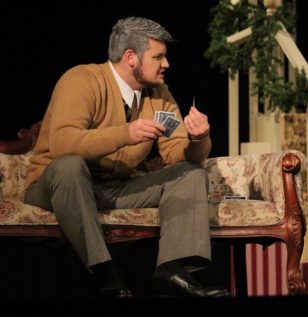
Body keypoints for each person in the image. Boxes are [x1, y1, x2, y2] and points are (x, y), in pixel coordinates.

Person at [24, 16, 229, 298]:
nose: (166, 64)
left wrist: (198, 138)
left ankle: (171, 272)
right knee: (69, 166)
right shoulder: (81, 80)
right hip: (56, 187)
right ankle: (105, 273)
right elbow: (63, 145)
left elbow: (178, 155)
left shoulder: (159, 95)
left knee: (190, 174)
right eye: (158, 57)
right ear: (131, 58)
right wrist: (126, 133)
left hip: (114, 188)